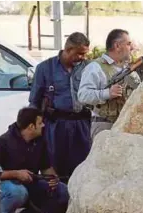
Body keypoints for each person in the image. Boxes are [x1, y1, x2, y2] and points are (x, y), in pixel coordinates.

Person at [0, 107, 69, 213]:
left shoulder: (39, 141)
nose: (43, 125)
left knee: (61, 190)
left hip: (30, 183)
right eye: (40, 123)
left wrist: (53, 179)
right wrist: (16, 173)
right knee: (17, 192)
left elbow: (46, 168)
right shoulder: (3, 143)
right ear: (31, 126)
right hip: (5, 186)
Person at [28, 32, 92, 184]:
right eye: (79, 54)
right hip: (55, 126)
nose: (82, 58)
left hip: (81, 125)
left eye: (84, 54)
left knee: (82, 167)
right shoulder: (45, 68)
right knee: (54, 167)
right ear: (68, 50)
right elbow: (34, 102)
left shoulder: (88, 68)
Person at [78, 29, 141, 140]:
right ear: (117, 46)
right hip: (104, 126)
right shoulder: (95, 68)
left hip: (126, 126)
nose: (131, 48)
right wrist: (107, 93)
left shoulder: (130, 70)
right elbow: (83, 95)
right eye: (128, 44)